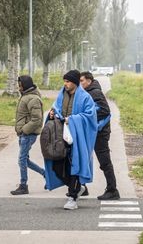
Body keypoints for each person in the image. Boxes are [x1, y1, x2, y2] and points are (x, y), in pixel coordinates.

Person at [44, 70, 98, 210]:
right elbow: (55, 108)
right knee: (57, 166)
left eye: (68, 81)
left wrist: (72, 120)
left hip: (77, 138)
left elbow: (90, 116)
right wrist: (52, 114)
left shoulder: (85, 98)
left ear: (74, 82)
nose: (65, 84)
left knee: (75, 166)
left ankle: (72, 197)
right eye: (65, 81)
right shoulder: (61, 94)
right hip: (60, 137)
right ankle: (77, 187)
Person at [79, 71, 120, 200]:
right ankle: (82, 187)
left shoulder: (95, 92)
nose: (80, 83)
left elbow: (105, 111)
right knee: (83, 158)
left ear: (89, 81)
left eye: (82, 81)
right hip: (93, 131)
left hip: (99, 133)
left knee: (104, 161)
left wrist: (89, 116)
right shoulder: (89, 92)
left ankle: (112, 190)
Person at [11, 75, 45, 195]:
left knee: (22, 160)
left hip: (28, 134)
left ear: (25, 85)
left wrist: (24, 130)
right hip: (24, 134)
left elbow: (37, 119)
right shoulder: (26, 96)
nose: (19, 87)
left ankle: (23, 185)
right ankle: (45, 174)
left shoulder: (33, 99)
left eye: (20, 85)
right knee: (25, 160)